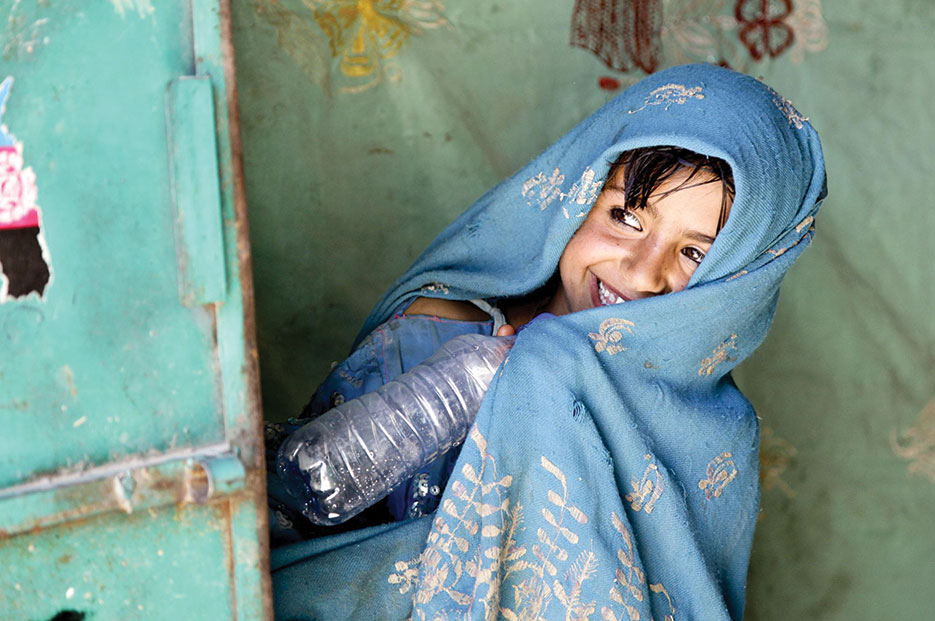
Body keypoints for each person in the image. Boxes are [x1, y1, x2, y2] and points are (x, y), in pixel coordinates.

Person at [268, 63, 827, 620]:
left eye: (695, 254)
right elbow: (294, 506)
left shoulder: (712, 439)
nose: (640, 271)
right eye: (626, 216)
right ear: (578, 194)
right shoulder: (442, 329)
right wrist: (462, 389)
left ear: (737, 288)